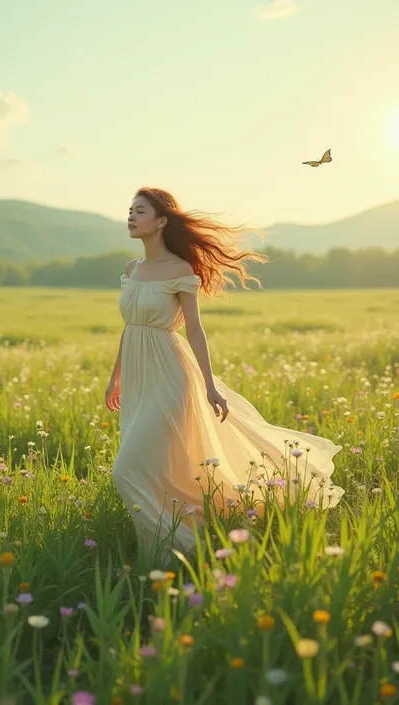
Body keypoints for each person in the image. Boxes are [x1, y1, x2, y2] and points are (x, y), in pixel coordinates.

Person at [106, 187, 344, 560]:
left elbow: (195, 331)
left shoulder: (180, 270)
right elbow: (130, 327)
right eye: (129, 211)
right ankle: (169, 538)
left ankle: (179, 549)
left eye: (139, 211)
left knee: (125, 470)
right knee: (159, 467)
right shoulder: (131, 270)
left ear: (162, 221)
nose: (131, 217)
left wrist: (210, 385)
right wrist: (115, 376)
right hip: (138, 377)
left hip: (171, 377)